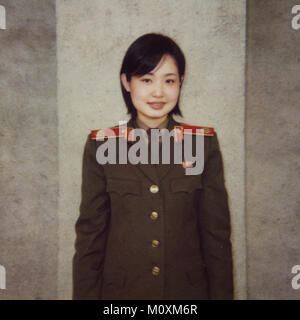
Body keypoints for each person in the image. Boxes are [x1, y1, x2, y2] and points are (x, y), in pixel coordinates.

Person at [72, 33, 233, 300]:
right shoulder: (101, 146)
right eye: (146, 80)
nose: (158, 92)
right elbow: (90, 237)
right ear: (127, 82)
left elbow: (216, 237)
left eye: (169, 81)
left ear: (181, 82)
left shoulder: (201, 145)